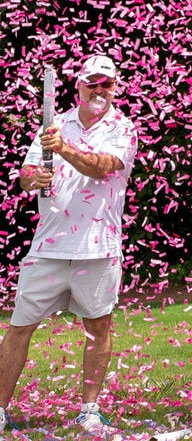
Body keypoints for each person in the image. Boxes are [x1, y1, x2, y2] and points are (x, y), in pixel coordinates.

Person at [0, 54, 137, 435]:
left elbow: (103, 167)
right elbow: (26, 173)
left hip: (99, 247)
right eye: (92, 82)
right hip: (49, 246)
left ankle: (89, 411)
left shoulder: (123, 129)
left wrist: (63, 150)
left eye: (106, 83)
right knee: (20, 326)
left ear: (115, 87)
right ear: (79, 85)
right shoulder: (54, 125)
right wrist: (34, 178)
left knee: (98, 327)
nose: (99, 89)